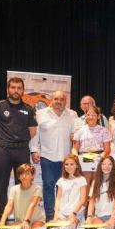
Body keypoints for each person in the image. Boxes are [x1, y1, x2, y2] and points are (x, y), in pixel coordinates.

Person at [0, 77, 37, 225]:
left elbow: (32, 131)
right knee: (2, 184)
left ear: (23, 90)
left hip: (22, 150)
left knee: (26, 184)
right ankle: (1, 219)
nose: (16, 90)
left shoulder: (28, 109)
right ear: (8, 89)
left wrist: (19, 142)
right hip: (3, 151)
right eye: (13, 87)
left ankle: (25, 219)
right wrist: (2, 141)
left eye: (19, 88)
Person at [29, 90, 77, 220]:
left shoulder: (72, 115)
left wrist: (75, 152)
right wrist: (34, 150)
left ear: (65, 101)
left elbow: (76, 136)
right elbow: (35, 134)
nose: (59, 102)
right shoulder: (40, 114)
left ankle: (64, 215)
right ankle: (50, 216)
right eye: (56, 99)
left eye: (62, 99)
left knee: (66, 187)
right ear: (52, 100)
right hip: (47, 157)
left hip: (67, 159)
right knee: (49, 185)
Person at [0, 163, 44, 229]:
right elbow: (9, 206)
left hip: (36, 220)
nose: (24, 176)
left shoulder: (37, 188)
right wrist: (2, 221)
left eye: (27, 174)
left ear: (32, 176)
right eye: (21, 174)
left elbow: (32, 205)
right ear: (19, 177)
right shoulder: (14, 189)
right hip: (19, 222)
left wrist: (26, 221)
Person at [85, 155, 115, 229]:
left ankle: (114, 228)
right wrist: (89, 217)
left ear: (113, 167)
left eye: (110, 164)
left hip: (113, 216)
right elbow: (91, 202)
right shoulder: (95, 182)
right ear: (100, 166)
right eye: (104, 164)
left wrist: (112, 219)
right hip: (98, 216)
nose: (106, 166)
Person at [72, 105, 111, 186]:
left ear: (98, 117)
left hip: (99, 159)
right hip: (84, 160)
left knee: (96, 186)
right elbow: (75, 148)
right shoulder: (80, 130)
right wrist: (76, 158)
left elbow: (107, 149)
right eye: (88, 114)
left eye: (93, 115)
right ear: (85, 116)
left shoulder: (104, 130)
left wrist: (100, 157)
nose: (91, 117)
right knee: (85, 185)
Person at [53, 155, 87, 224]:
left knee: (69, 226)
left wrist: (73, 213)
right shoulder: (61, 180)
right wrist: (56, 213)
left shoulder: (81, 179)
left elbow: (82, 199)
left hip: (76, 213)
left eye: (72, 164)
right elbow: (58, 198)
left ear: (77, 165)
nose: (69, 166)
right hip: (62, 213)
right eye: (66, 164)